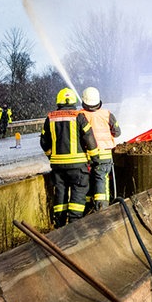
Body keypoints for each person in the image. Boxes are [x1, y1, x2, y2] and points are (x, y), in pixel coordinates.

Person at [40, 88, 100, 227]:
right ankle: (74, 224)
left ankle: (60, 224)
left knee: (60, 193)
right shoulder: (78, 116)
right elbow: (89, 138)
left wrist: (51, 156)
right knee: (78, 192)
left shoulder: (50, 118)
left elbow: (44, 142)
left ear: (58, 101)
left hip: (58, 167)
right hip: (78, 166)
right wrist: (95, 158)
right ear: (73, 101)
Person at [79, 87, 121, 213]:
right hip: (105, 155)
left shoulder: (80, 115)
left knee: (87, 180)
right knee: (101, 179)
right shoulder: (107, 114)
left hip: (87, 156)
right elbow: (117, 132)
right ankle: (103, 209)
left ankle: (87, 209)